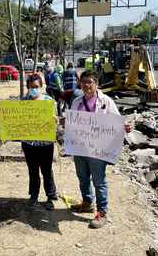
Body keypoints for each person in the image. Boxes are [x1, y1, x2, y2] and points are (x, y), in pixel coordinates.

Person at [69, 69, 132, 229]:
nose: (86, 85)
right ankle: (87, 202)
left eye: (90, 82)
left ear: (96, 84)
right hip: (80, 148)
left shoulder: (107, 101)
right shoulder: (76, 102)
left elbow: (117, 122)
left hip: (98, 150)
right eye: (83, 82)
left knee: (99, 181)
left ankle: (102, 212)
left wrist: (125, 127)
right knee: (82, 178)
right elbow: (72, 123)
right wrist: (64, 122)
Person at [21, 73, 58, 211]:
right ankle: (34, 196)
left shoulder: (49, 101)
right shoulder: (23, 102)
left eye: (36, 86)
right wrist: (4, 114)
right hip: (29, 144)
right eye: (31, 87)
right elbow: (16, 120)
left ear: (41, 87)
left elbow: (55, 121)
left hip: (46, 144)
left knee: (47, 171)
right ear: (28, 87)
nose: (33, 89)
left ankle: (50, 197)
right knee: (33, 171)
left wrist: (55, 120)